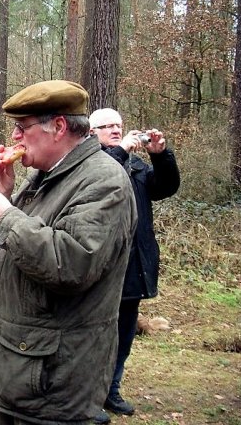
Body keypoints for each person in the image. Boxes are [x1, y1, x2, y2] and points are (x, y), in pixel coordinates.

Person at [0, 80, 138, 424]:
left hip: (56, 381)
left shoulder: (105, 181)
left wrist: (5, 214)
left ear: (58, 127)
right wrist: (2, 198)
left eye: (22, 127)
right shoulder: (45, 176)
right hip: (20, 369)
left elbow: (72, 263)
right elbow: (3, 250)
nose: (15, 137)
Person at [89, 108, 180, 425]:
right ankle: (88, 398)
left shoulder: (136, 165)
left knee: (124, 334)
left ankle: (111, 391)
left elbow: (165, 188)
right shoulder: (89, 162)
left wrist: (161, 155)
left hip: (133, 266)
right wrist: (120, 150)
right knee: (95, 337)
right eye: (107, 126)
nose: (115, 129)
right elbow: (98, 184)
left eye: (119, 125)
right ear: (92, 132)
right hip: (100, 268)